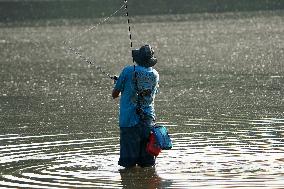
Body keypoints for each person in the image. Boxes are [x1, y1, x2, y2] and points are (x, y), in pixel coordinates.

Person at [112, 44, 159, 168]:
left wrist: (119, 83)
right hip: (148, 121)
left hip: (129, 121)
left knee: (128, 165)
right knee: (147, 164)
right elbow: (150, 93)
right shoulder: (155, 74)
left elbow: (115, 94)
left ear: (138, 59)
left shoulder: (128, 71)